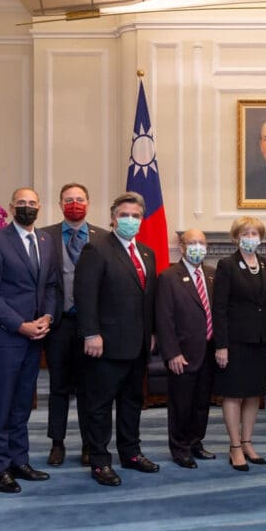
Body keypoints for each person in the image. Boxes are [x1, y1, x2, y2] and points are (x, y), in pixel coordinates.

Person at [0, 187, 59, 494]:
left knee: (23, 403)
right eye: (21, 203)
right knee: (2, 403)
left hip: (36, 335)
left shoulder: (45, 241)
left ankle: (18, 459)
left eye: (32, 203)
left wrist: (47, 318)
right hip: (6, 337)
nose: (27, 207)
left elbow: (51, 286)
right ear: (11, 207)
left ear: (40, 206)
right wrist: (20, 325)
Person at [74, 192, 159, 487]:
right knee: (99, 406)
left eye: (136, 216)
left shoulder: (147, 253)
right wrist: (91, 333)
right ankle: (100, 462)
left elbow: (149, 299)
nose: (130, 220)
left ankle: (131, 453)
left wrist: (152, 333)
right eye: (124, 215)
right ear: (112, 218)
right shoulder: (96, 249)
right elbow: (85, 296)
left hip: (137, 345)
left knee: (132, 403)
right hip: (105, 345)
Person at [38, 183, 109, 468]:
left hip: (91, 325)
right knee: (58, 388)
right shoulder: (45, 237)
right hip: (59, 323)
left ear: (89, 203)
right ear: (59, 204)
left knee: (89, 389)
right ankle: (57, 443)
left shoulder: (104, 238)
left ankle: (90, 444)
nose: (74, 203)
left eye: (80, 199)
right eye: (69, 200)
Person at [211, 216, 266, 471]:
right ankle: (235, 446)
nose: (250, 237)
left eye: (255, 233)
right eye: (245, 233)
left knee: (254, 393)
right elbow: (219, 308)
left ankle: (248, 441)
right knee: (234, 394)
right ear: (235, 237)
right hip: (234, 341)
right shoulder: (226, 265)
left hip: (260, 341)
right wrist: (221, 345)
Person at [155, 229, 219, 469]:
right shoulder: (169, 277)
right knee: (181, 404)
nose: (197, 247)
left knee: (202, 403)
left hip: (209, 352)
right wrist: (171, 352)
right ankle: (179, 448)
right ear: (181, 247)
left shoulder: (213, 275)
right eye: (191, 242)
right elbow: (164, 318)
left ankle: (195, 442)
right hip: (181, 353)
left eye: (201, 243)